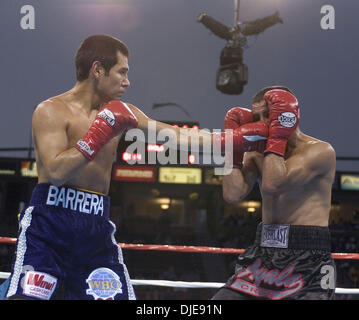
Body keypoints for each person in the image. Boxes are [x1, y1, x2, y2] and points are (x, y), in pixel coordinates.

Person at [5, 34, 268, 300]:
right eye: (121, 72)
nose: (127, 82)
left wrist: (238, 138)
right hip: (49, 224)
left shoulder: (124, 112)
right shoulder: (50, 111)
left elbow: (179, 136)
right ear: (97, 69)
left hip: (95, 225)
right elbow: (55, 173)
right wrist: (97, 136)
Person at [212, 86, 337, 300]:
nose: (262, 122)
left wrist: (277, 137)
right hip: (263, 253)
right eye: (257, 117)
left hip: (308, 259)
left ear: (288, 116)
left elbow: (273, 184)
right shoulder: (257, 154)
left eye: (269, 115)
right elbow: (232, 195)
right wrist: (232, 149)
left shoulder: (321, 151)